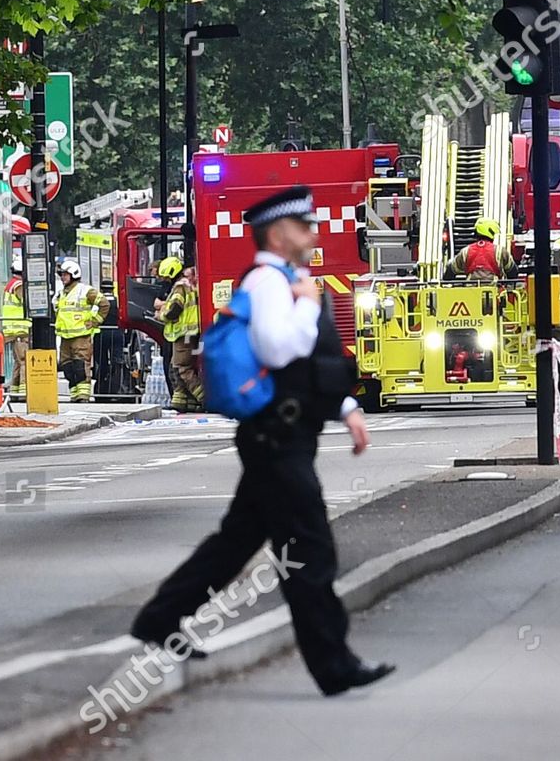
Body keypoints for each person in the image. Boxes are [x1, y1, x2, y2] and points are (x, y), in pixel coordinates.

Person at [131, 186, 394, 696]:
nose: (314, 233)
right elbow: (277, 349)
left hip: (279, 432)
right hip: (278, 438)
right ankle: (333, 664)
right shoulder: (272, 284)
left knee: (236, 542)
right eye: (304, 225)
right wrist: (307, 307)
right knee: (309, 550)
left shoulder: (287, 281)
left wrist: (345, 408)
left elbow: (303, 369)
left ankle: (160, 616)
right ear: (278, 234)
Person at [54, 259, 109, 402]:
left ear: (73, 274)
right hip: (65, 337)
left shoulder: (85, 291)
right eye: (61, 275)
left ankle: (83, 395)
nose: (62, 277)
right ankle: (74, 394)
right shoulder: (62, 293)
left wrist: (96, 321)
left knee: (80, 366)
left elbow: (104, 304)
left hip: (81, 336)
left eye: (65, 275)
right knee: (67, 367)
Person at [155, 256, 203, 412]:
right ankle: (181, 400)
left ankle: (206, 398)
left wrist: (161, 315)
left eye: (165, 277)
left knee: (182, 368)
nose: (164, 280)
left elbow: (175, 308)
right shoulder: (187, 284)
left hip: (184, 334)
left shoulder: (179, 286)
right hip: (188, 334)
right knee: (175, 367)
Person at [3, 268, 28, 396]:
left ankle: (15, 391)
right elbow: (27, 303)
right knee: (25, 361)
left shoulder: (10, 284)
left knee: (18, 363)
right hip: (20, 330)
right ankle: (25, 391)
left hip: (14, 330)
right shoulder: (19, 285)